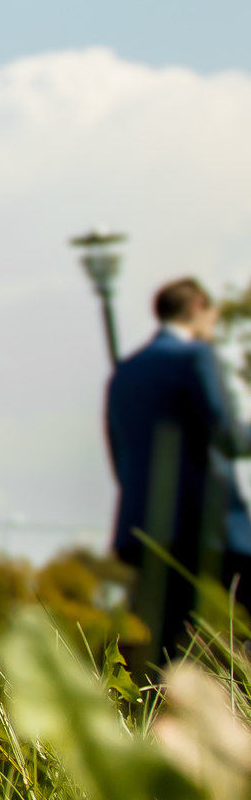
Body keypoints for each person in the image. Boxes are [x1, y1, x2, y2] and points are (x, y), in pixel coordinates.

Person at [105, 277, 251, 670]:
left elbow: (119, 454)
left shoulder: (125, 371)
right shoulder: (194, 356)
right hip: (208, 525)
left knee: (167, 645)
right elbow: (224, 433)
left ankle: (161, 726)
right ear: (197, 307)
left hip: (144, 529)